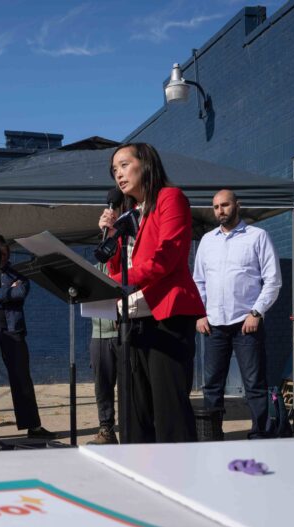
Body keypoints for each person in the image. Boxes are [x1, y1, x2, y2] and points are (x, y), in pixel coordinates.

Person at [98, 143, 204, 443]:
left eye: (123, 165)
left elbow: (167, 256)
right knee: (134, 411)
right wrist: (110, 236)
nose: (118, 174)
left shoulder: (170, 198)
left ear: (145, 164)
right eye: (114, 170)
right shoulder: (129, 214)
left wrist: (117, 282)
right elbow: (119, 264)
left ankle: (179, 478)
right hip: (134, 319)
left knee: (169, 411)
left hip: (167, 315)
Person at [193, 189, 281, 437]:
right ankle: (212, 434)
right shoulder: (207, 241)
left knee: (254, 384)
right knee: (212, 386)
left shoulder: (257, 237)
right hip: (214, 326)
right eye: (216, 207)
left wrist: (257, 312)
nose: (220, 210)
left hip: (246, 324)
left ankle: (260, 434)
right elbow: (198, 281)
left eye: (225, 205)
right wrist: (200, 314)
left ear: (237, 205)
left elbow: (273, 280)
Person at [0, 236, 54, 442]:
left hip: (13, 331)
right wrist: (6, 293)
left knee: (21, 379)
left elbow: (21, 293)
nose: (2, 257)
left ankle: (33, 426)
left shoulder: (18, 273)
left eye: (5, 253)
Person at [88, 188, 125, 446]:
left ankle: (132, 428)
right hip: (99, 332)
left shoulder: (125, 245)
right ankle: (106, 429)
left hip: (123, 328)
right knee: (102, 386)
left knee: (128, 385)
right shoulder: (99, 256)